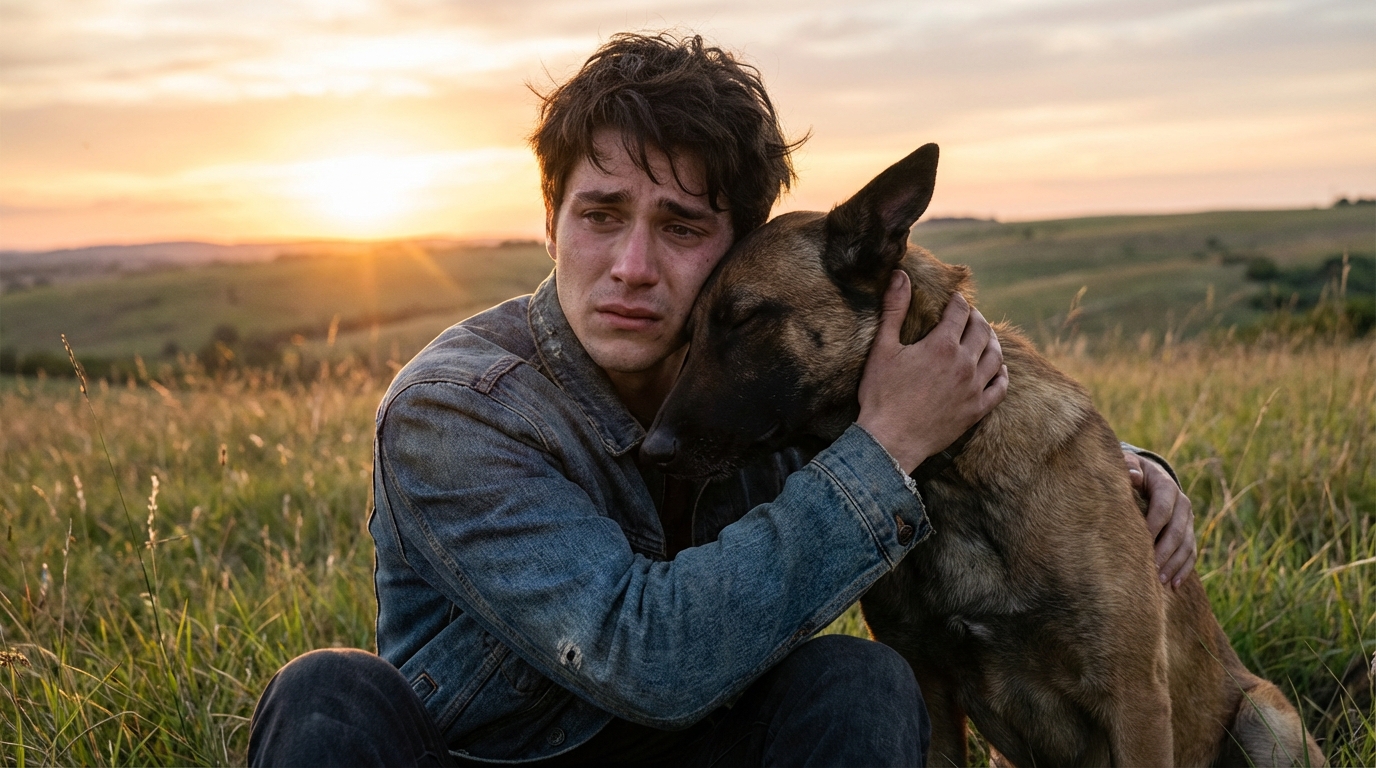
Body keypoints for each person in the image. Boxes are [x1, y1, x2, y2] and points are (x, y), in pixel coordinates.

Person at [248, 32, 1195, 767]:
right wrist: (883, 450)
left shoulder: (775, 388)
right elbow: (641, 658)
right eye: (601, 214)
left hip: (700, 752)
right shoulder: (455, 411)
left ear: (739, 250)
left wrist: (1128, 478)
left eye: (682, 226)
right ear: (551, 220)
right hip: (490, 757)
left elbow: (962, 432)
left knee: (860, 682)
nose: (630, 267)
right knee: (329, 696)